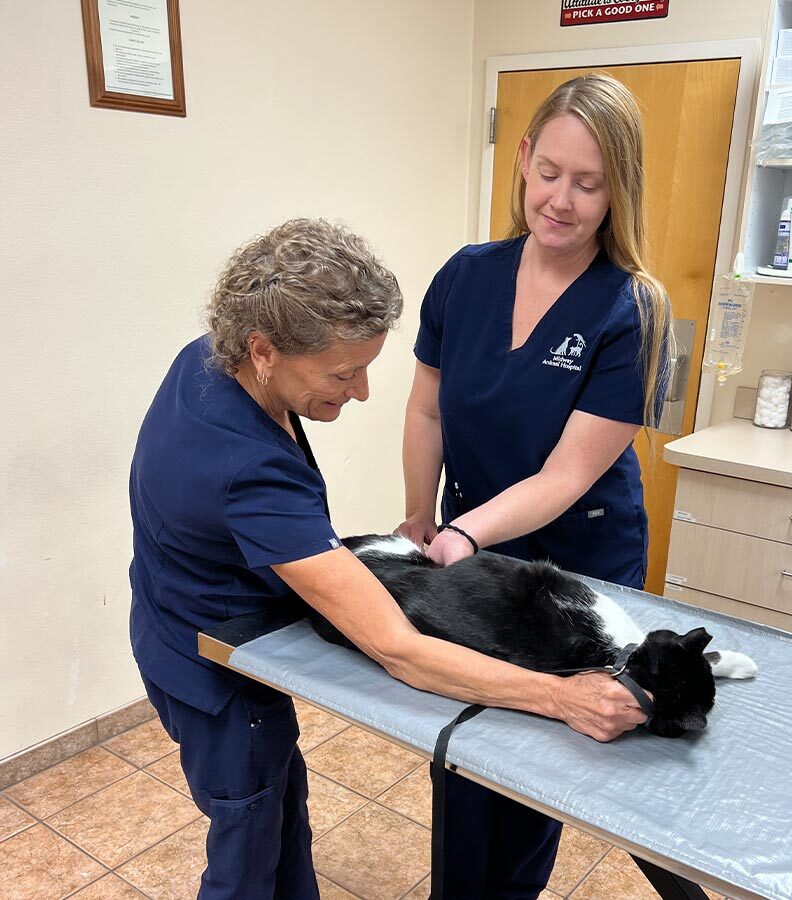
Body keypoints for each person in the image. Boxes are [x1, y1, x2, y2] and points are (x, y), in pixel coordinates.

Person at [129, 217, 649, 900]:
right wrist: (562, 696)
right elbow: (397, 649)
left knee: (280, 811)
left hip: (178, 621)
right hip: (214, 670)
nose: (365, 392)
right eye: (344, 373)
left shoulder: (210, 358)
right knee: (247, 838)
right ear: (264, 350)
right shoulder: (250, 473)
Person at [397, 73, 672, 898]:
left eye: (589, 184)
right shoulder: (466, 275)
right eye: (549, 172)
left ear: (618, 190)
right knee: (465, 744)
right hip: (471, 549)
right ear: (521, 159)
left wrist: (463, 532)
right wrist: (418, 515)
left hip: (579, 563)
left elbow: (566, 474)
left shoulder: (633, 307)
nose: (561, 199)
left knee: (537, 762)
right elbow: (426, 410)